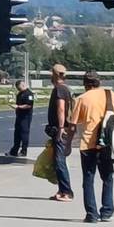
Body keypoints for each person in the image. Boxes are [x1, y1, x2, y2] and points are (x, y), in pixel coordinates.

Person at [70, 70, 114, 223]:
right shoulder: (109, 95)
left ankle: (92, 214)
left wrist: (67, 143)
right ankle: (107, 211)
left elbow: (73, 123)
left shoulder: (81, 99)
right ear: (99, 81)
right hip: (106, 144)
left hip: (87, 144)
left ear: (85, 84)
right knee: (107, 177)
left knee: (88, 178)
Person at [47, 64, 75, 202]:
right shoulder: (66, 89)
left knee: (59, 161)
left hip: (61, 130)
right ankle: (61, 190)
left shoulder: (59, 89)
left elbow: (61, 109)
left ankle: (67, 192)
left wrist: (61, 127)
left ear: (54, 75)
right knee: (58, 160)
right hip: (64, 129)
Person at [8, 79, 34, 157]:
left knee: (24, 133)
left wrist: (18, 107)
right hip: (19, 116)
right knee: (17, 133)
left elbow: (29, 105)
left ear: (23, 85)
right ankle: (14, 150)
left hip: (26, 116)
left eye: (19, 88)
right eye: (17, 88)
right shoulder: (19, 94)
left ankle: (24, 151)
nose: (18, 90)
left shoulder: (29, 94)